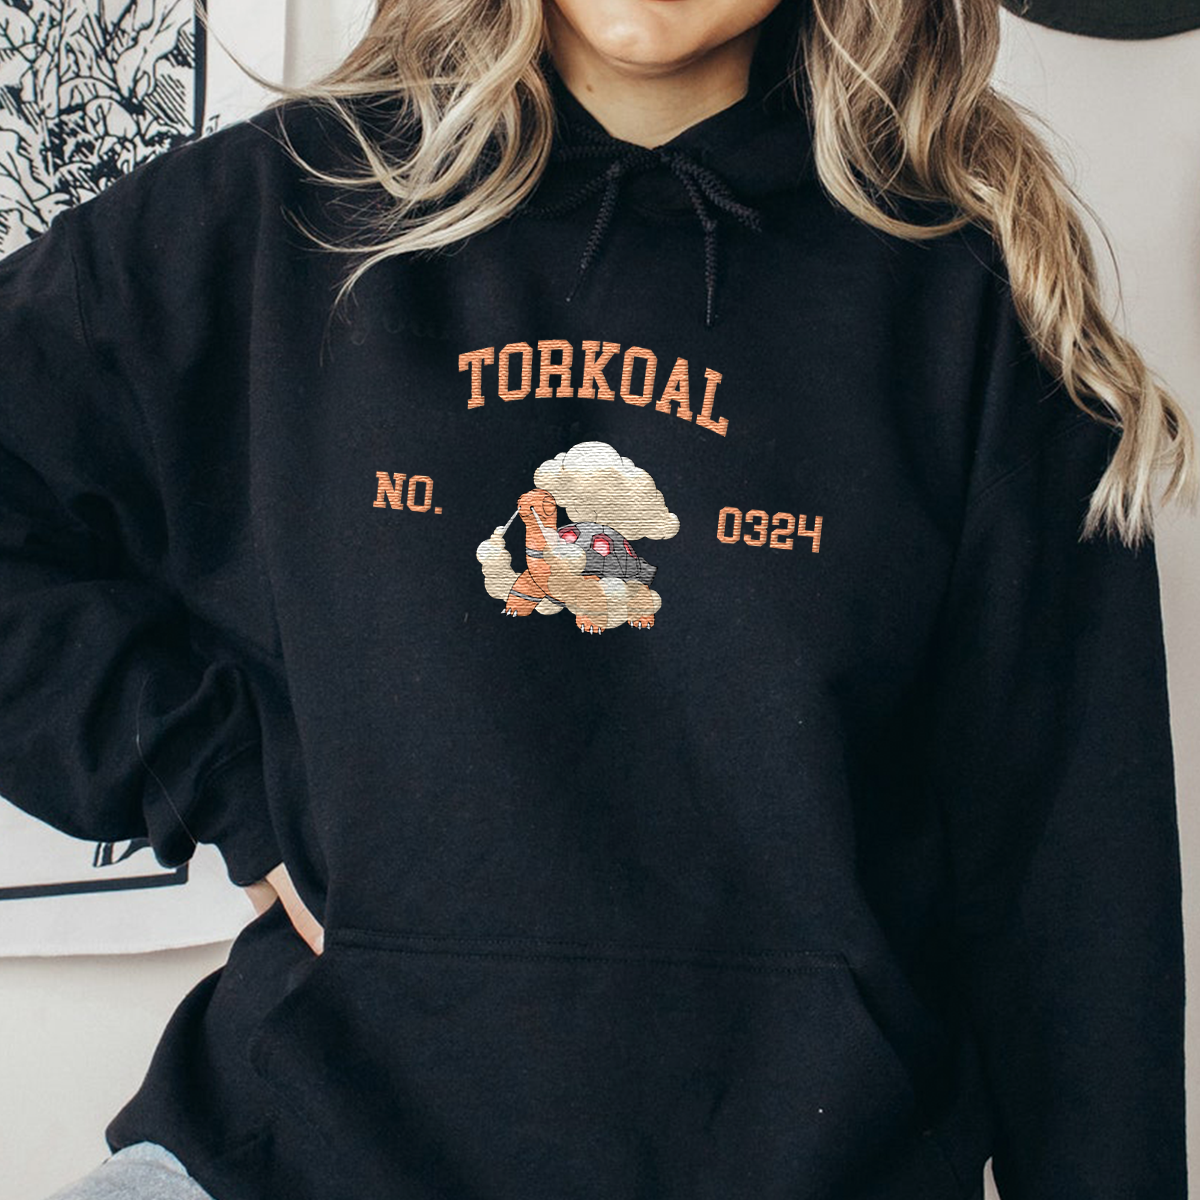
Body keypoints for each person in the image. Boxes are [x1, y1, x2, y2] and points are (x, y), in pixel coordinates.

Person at [3, 0, 1194, 1197]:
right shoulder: (289, 213)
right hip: (296, 1156)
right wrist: (203, 765)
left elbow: (1076, 902)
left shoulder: (973, 297)